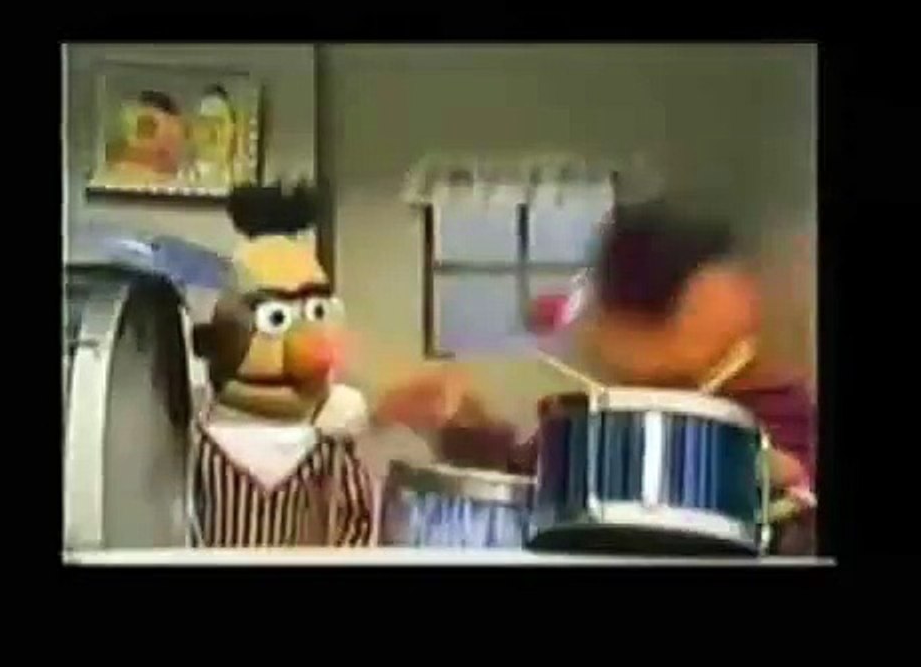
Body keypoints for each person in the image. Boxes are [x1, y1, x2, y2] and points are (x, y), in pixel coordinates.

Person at [373, 200, 817, 555]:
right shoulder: (612, 414)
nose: (591, 331)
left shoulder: (777, 407)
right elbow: (536, 480)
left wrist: (774, 484)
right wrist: (462, 426)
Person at [189, 182, 373, 547]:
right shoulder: (196, 445)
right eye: (276, 318)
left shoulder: (328, 448)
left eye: (316, 312)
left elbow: (355, 519)